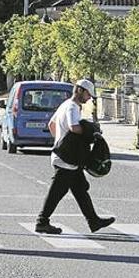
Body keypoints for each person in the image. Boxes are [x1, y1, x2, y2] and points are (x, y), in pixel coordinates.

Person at [35, 79, 114, 235]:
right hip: (66, 160)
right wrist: (90, 131)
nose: (89, 98)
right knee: (56, 192)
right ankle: (42, 222)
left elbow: (51, 124)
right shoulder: (72, 107)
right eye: (88, 94)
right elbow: (74, 127)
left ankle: (94, 221)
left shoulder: (65, 105)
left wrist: (59, 141)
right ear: (80, 90)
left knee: (80, 190)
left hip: (65, 156)